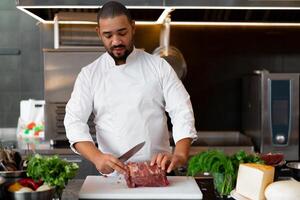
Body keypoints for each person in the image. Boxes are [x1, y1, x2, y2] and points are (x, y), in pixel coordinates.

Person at [64, 1, 197, 176]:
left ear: (133, 27)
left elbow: (181, 111)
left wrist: (179, 154)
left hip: (159, 172)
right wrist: (97, 157)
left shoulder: (159, 67)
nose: (116, 41)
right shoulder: (89, 74)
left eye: (122, 33)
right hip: (114, 177)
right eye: (108, 35)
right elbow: (74, 122)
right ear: (99, 33)